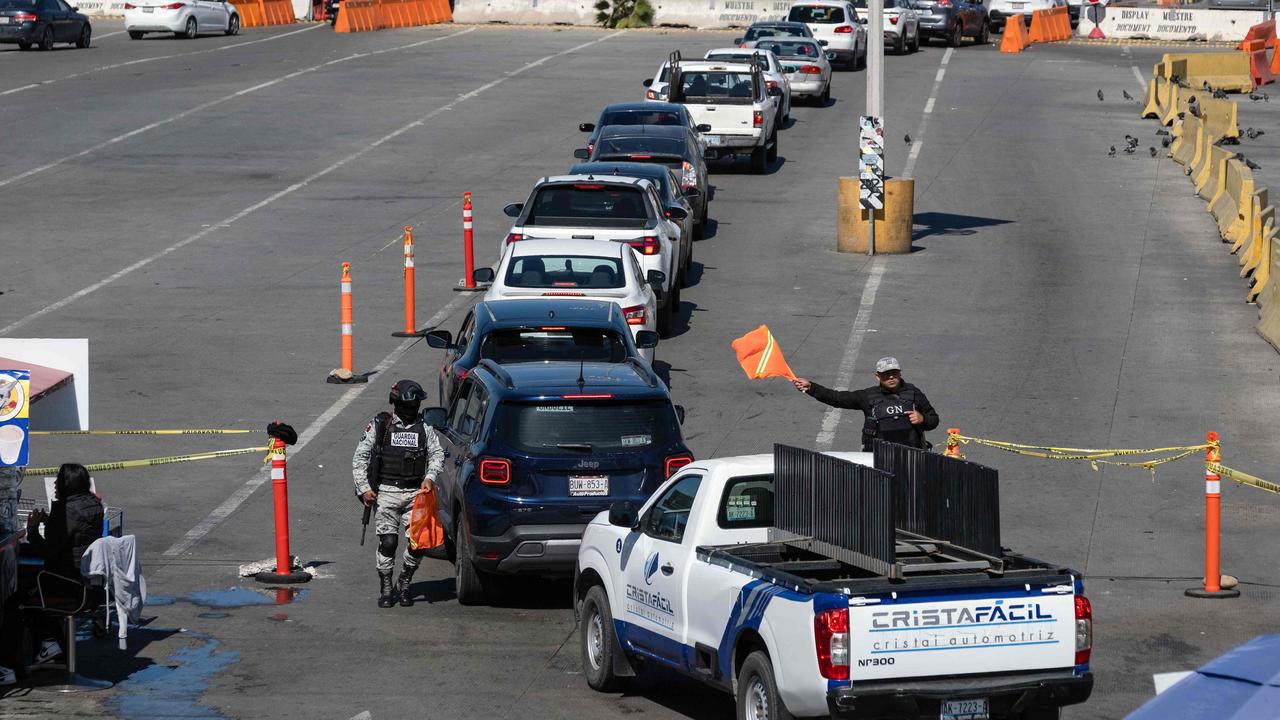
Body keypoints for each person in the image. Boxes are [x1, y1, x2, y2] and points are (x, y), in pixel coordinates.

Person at [352, 379, 444, 609]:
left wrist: (430, 478)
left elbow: (437, 455)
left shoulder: (425, 428)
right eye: (408, 405)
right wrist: (364, 488)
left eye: (415, 405)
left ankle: (404, 581)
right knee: (389, 542)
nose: (412, 410)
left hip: (416, 494)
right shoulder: (381, 425)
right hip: (386, 493)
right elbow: (360, 457)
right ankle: (385, 585)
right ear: (397, 403)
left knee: (418, 544)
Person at [21, 463, 104, 665]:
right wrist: (49, 521)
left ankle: (46, 645)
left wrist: (32, 530)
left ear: (67, 484)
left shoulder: (68, 510)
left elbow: (48, 549)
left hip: (67, 583)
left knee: (17, 599)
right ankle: (53, 644)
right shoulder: (93, 505)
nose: (55, 484)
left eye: (58, 480)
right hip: (89, 583)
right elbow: (75, 535)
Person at [792, 356, 940, 451]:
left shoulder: (913, 393)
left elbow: (934, 419)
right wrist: (811, 387)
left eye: (894, 373)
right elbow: (836, 398)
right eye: (886, 374)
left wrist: (923, 419)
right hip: (877, 457)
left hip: (911, 454)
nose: (891, 377)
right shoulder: (868, 396)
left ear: (900, 373)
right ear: (877, 376)